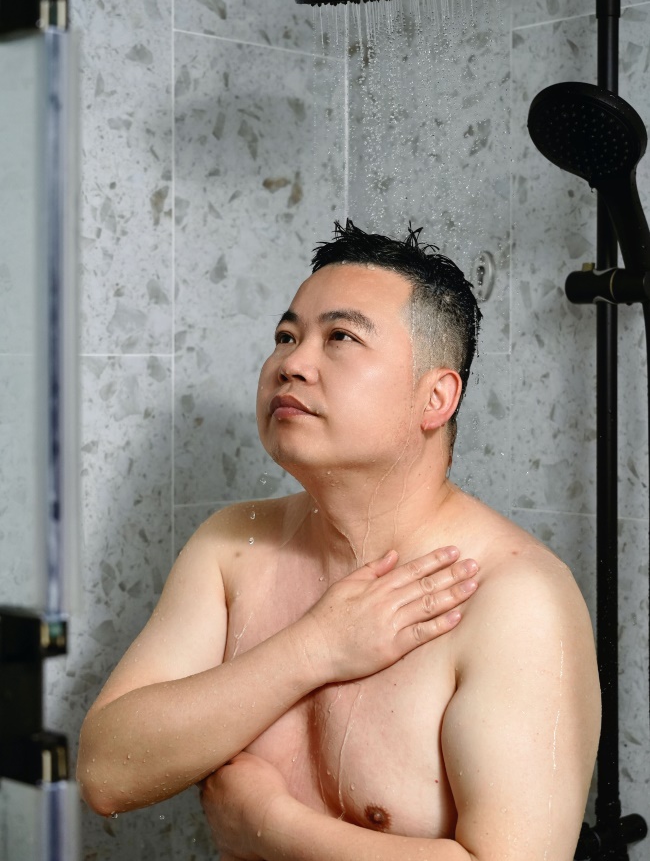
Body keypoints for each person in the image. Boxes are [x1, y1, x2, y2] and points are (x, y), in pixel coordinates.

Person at [78, 221, 601, 861]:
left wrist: (269, 825)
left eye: (341, 338)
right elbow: (105, 772)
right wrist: (314, 648)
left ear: (435, 397)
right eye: (286, 336)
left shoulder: (515, 599)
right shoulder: (232, 547)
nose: (291, 364)